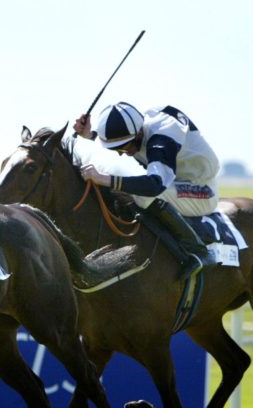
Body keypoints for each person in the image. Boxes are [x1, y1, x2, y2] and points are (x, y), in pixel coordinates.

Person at [73, 101, 219, 278]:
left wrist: (105, 179)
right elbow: (122, 139)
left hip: (203, 190)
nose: (121, 153)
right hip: (178, 182)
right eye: (116, 149)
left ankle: (199, 251)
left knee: (143, 196)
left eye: (124, 147)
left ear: (138, 133)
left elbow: (154, 186)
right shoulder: (138, 126)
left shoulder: (162, 138)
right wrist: (90, 135)